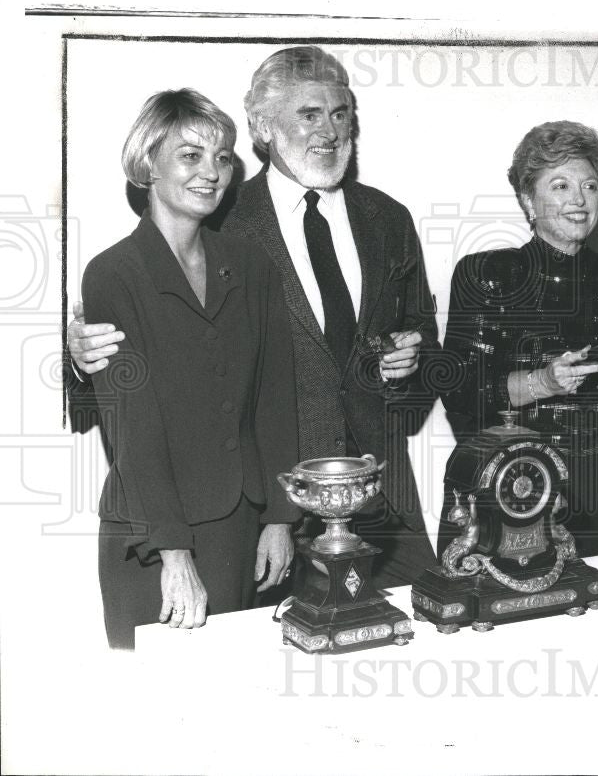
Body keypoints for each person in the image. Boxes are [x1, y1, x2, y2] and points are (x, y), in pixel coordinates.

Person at [69, 46, 441, 589]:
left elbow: (422, 336)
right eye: (309, 114)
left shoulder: (388, 218)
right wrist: (82, 359)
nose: (330, 131)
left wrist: (414, 356)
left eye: (340, 114)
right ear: (263, 128)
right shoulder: (218, 218)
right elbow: (147, 369)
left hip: (381, 491)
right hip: (275, 505)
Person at [82, 89, 300, 649]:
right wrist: (174, 554)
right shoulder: (113, 274)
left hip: (242, 527)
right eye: (191, 155)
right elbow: (133, 425)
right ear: (146, 165)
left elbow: (276, 399)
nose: (212, 172)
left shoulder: (252, 266)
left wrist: (280, 517)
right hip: (154, 532)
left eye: (223, 157)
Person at [438, 121, 598, 558]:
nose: (579, 199)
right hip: (509, 480)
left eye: (589, 185)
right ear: (529, 200)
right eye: (560, 185)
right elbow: (457, 391)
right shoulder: (485, 274)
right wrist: (541, 382)